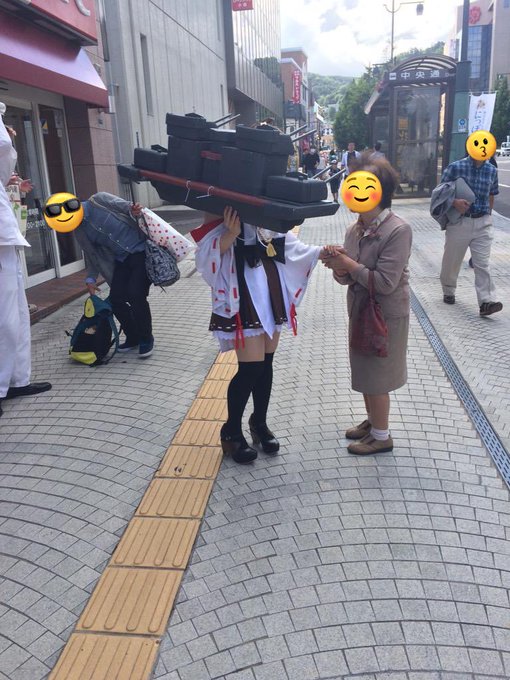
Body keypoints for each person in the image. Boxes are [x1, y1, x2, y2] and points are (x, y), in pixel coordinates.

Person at [193, 206, 328, 464]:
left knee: (265, 363)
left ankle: (259, 423)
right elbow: (204, 257)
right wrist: (231, 234)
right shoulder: (221, 201)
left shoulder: (269, 197)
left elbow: (285, 240)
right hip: (242, 287)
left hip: (270, 284)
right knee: (251, 367)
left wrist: (320, 252)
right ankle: (231, 430)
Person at [323, 154, 412, 455]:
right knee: (364, 371)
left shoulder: (398, 230)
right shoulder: (355, 229)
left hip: (386, 315)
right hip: (360, 310)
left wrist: (347, 263)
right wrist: (338, 267)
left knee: (378, 375)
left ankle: (382, 436)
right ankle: (373, 422)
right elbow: (348, 278)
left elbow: (385, 283)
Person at [0, 110, 51, 419]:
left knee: (16, 313)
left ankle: (16, 380)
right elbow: (4, 149)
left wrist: (9, 182)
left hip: (5, 237)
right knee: (5, 317)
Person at [72, 192, 155, 357]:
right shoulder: (79, 230)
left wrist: (134, 210)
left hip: (141, 251)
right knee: (116, 299)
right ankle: (133, 336)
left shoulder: (99, 200)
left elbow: (127, 207)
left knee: (136, 295)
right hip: (121, 260)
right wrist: (90, 279)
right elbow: (92, 255)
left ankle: (146, 337)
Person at [439, 148, 502, 316]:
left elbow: (491, 195)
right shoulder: (455, 167)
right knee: (452, 260)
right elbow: (440, 192)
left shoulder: (491, 170)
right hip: (460, 221)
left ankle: (486, 301)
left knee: (482, 264)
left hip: (482, 223)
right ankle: (448, 290)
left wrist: (488, 217)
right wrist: (454, 202)